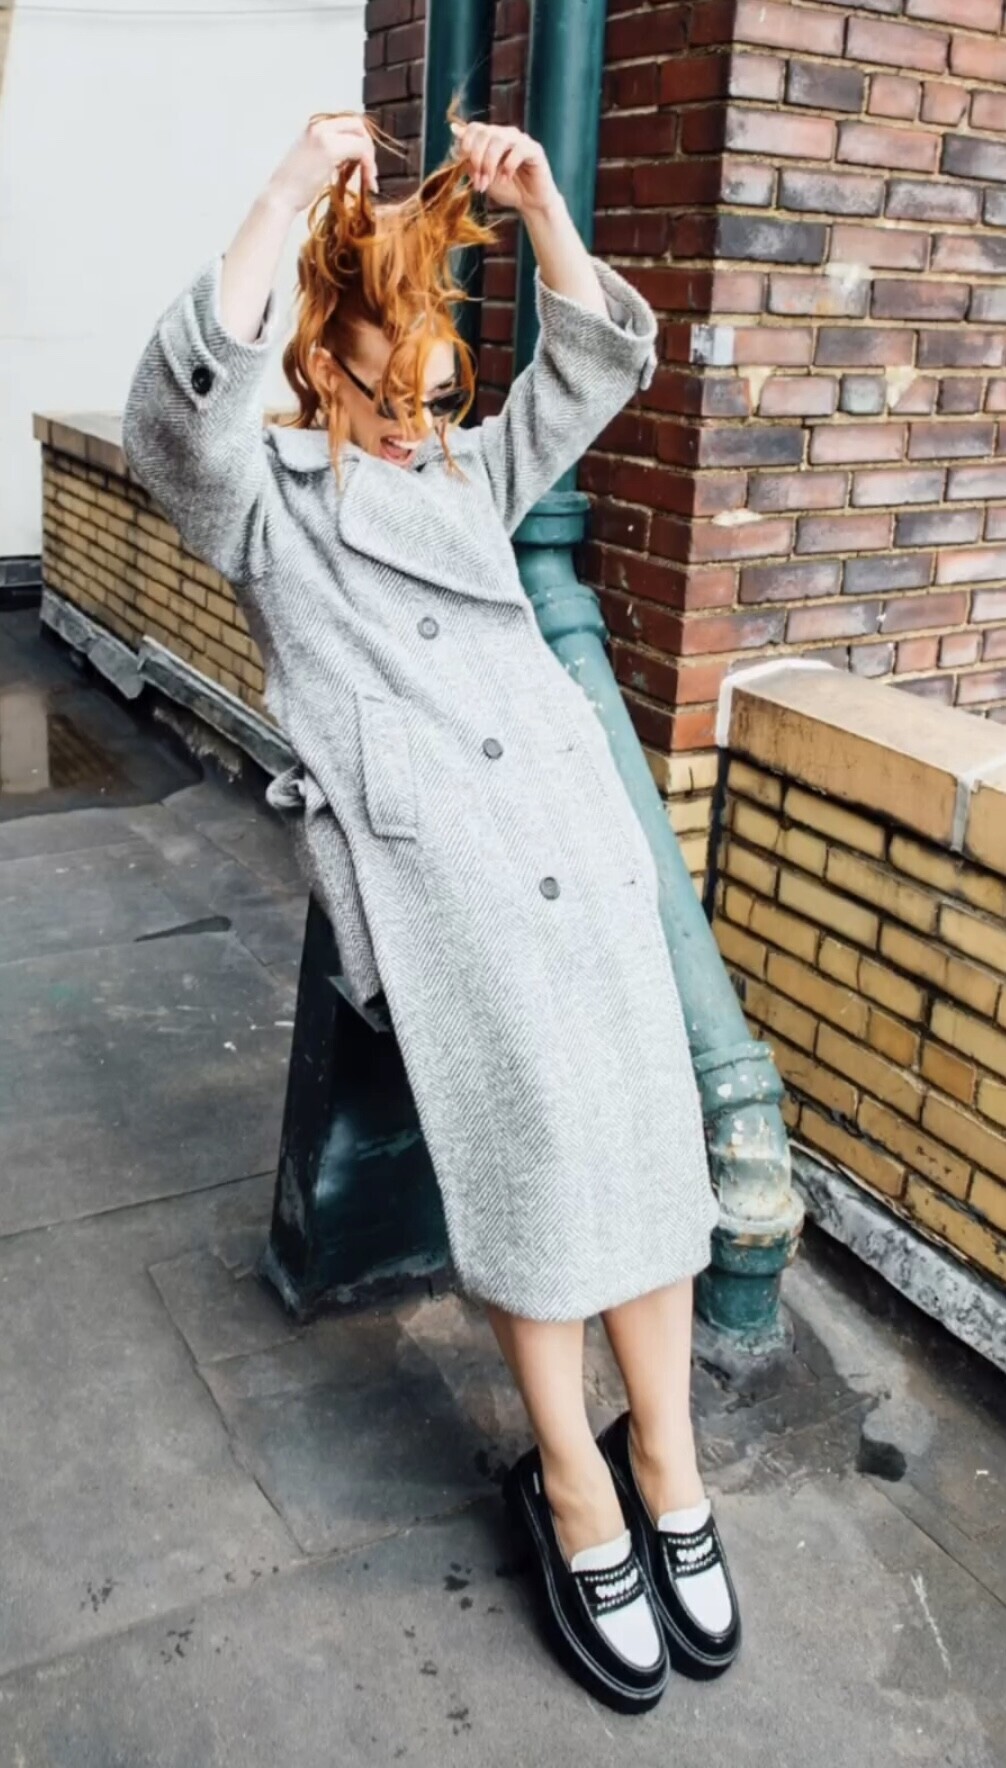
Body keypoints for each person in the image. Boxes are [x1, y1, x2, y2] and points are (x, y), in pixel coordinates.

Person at [122, 106, 740, 1716]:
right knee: (535, 1175)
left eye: (439, 380)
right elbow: (173, 421)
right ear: (325, 361)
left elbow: (592, 368)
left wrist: (541, 211)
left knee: (645, 1150)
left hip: (578, 856)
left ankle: (667, 1465)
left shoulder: (467, 475)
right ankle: (574, 1482)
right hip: (451, 898)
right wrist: (280, 190)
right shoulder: (266, 503)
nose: (421, 411)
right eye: (393, 378)